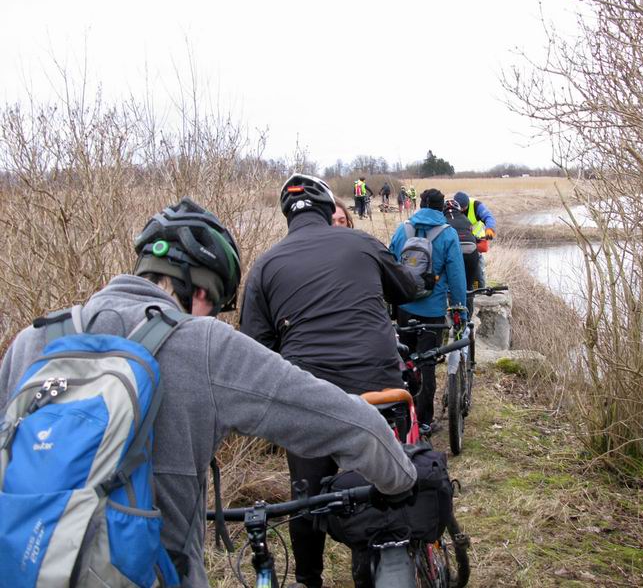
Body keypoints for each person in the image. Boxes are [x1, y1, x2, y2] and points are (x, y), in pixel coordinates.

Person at [0, 197, 417, 588]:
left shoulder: (32, 342)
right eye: (217, 305)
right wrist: (400, 481)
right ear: (202, 292)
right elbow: (348, 423)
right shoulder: (201, 343)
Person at [240, 173, 419, 588]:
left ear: (287, 216)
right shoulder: (362, 243)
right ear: (327, 210)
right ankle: (380, 559)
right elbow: (408, 288)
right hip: (379, 391)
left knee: (306, 496)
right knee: (381, 486)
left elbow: (255, 348)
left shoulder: (265, 265)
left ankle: (308, 579)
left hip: (308, 400)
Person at [389, 188, 467, 429]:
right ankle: (423, 421)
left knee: (405, 361)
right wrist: (460, 311)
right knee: (427, 363)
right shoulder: (448, 234)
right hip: (432, 311)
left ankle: (403, 416)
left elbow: (390, 265)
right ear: (442, 207)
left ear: (420, 204)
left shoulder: (403, 229)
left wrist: (391, 303)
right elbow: (456, 276)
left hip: (404, 306)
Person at [453, 191, 498, 287]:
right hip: (457, 243)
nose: (461, 210)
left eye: (463, 208)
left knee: (477, 272)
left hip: (475, 243)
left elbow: (489, 217)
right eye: (459, 208)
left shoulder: (476, 205)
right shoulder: (451, 207)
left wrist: (490, 229)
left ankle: (479, 292)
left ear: (467, 204)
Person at [444, 198, 480, 297]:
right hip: (471, 251)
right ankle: (470, 304)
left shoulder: (442, 220)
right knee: (469, 284)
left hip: (454, 252)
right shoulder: (466, 219)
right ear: (459, 209)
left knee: (450, 284)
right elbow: (472, 235)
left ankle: (452, 304)